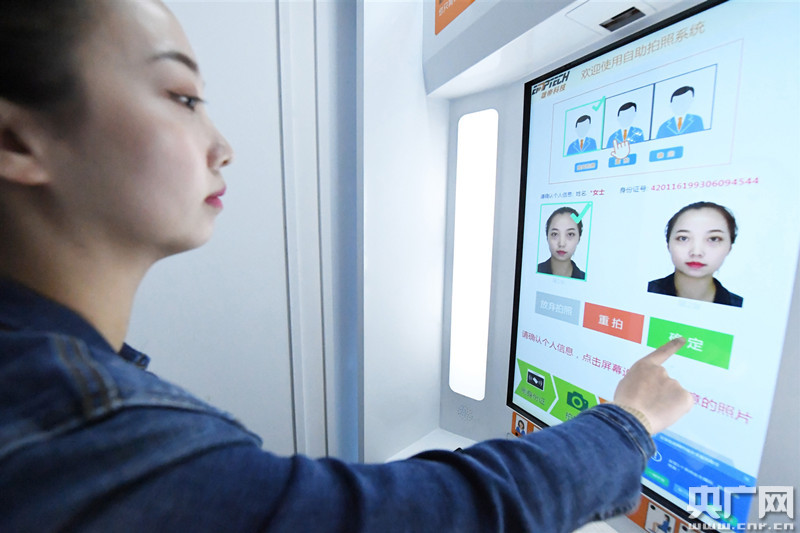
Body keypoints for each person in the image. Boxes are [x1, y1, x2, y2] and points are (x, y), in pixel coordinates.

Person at [0, 1, 693, 531]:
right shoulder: (80, 427)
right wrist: (628, 420)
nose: (222, 146)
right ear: (15, 140)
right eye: (182, 98)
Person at [648, 202, 743, 307]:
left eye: (713, 239)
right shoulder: (644, 292)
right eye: (683, 238)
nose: (696, 252)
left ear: (729, 248)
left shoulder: (738, 306)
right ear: (668, 244)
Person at [538, 207, 587, 279]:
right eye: (555, 234)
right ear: (547, 236)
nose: (561, 244)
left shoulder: (585, 278)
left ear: (579, 238)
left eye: (570, 234)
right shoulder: (533, 272)